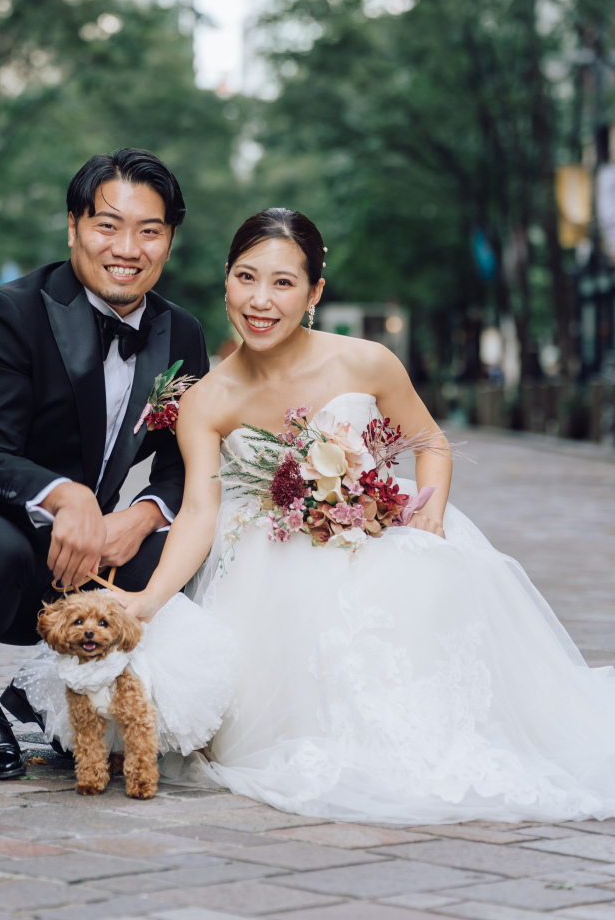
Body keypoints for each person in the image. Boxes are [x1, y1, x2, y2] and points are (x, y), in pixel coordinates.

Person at [114, 207, 615, 823]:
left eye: (283, 282)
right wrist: (152, 599)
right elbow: (196, 512)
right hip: (264, 555)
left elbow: (428, 442)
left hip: (376, 529)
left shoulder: (365, 361)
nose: (260, 300)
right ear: (226, 279)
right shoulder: (205, 400)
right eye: (246, 278)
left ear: (315, 292)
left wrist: (429, 516)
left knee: (419, 575)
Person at [0, 149, 209, 780]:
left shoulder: (181, 334)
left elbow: (182, 467)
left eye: (149, 230)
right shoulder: (6, 313)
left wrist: (140, 517)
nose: (127, 247)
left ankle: (47, 696)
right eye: (107, 225)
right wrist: (68, 496)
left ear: (169, 240)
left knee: (186, 552)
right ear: (72, 228)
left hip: (83, 555)